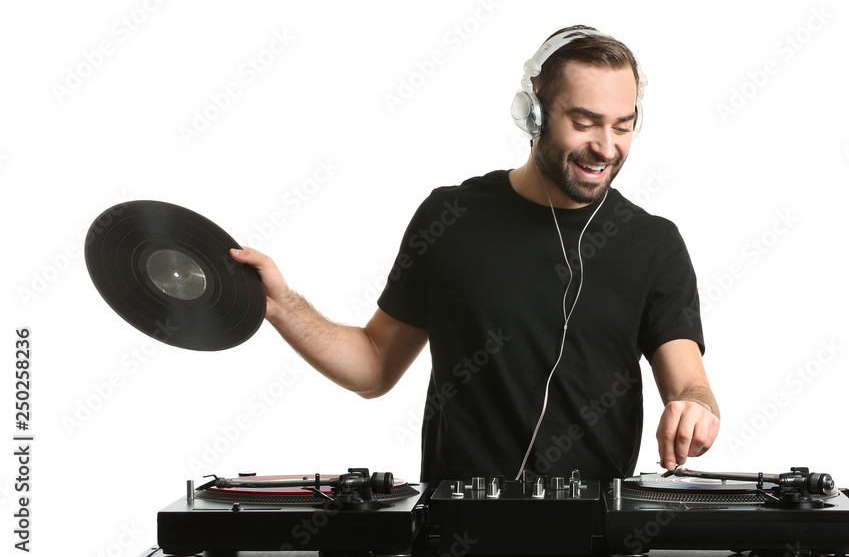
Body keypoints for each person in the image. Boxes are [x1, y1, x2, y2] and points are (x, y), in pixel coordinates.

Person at [230, 26, 720, 486]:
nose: (605, 148)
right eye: (584, 122)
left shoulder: (654, 243)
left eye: (622, 126)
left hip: (597, 538)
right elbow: (374, 366)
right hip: (455, 534)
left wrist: (695, 408)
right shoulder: (451, 217)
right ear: (533, 113)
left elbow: (689, 384)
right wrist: (281, 305)